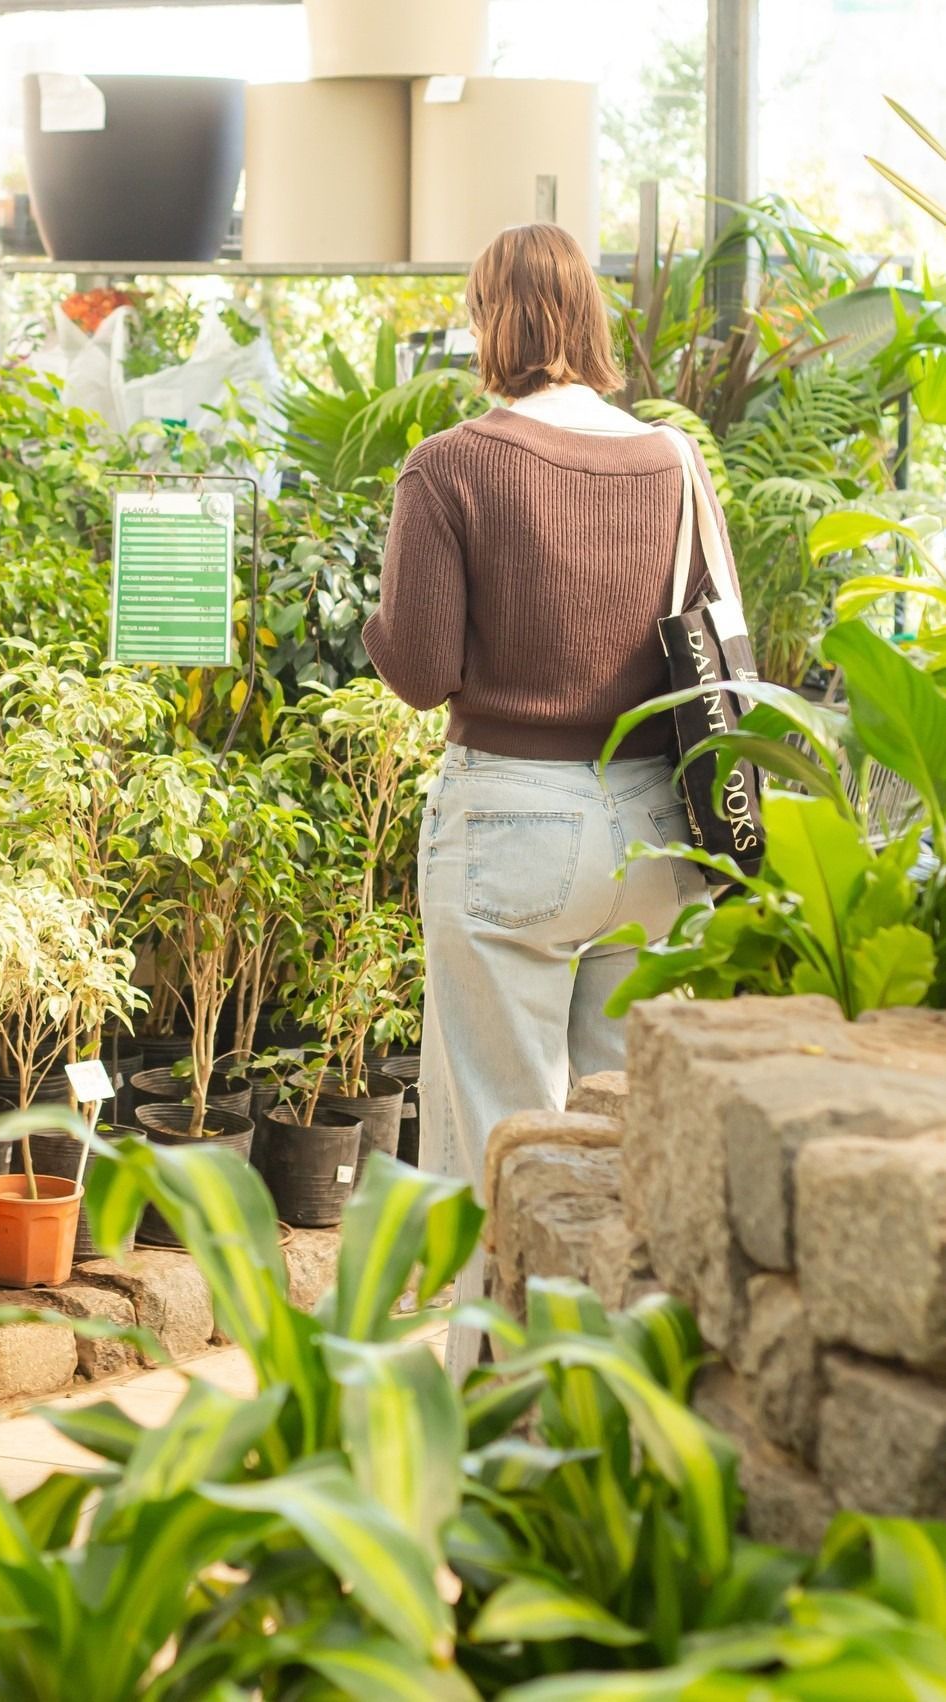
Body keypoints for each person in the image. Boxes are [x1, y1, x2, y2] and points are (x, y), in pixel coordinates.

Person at [362, 223, 733, 1374]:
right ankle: (608, 1386)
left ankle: (498, 1404)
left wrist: (383, 622)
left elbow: (419, 670)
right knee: (611, 1128)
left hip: (511, 825)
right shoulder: (671, 464)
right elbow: (717, 640)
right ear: (590, 315)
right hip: (654, 834)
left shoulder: (452, 463)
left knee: (500, 1131)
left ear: (489, 320)